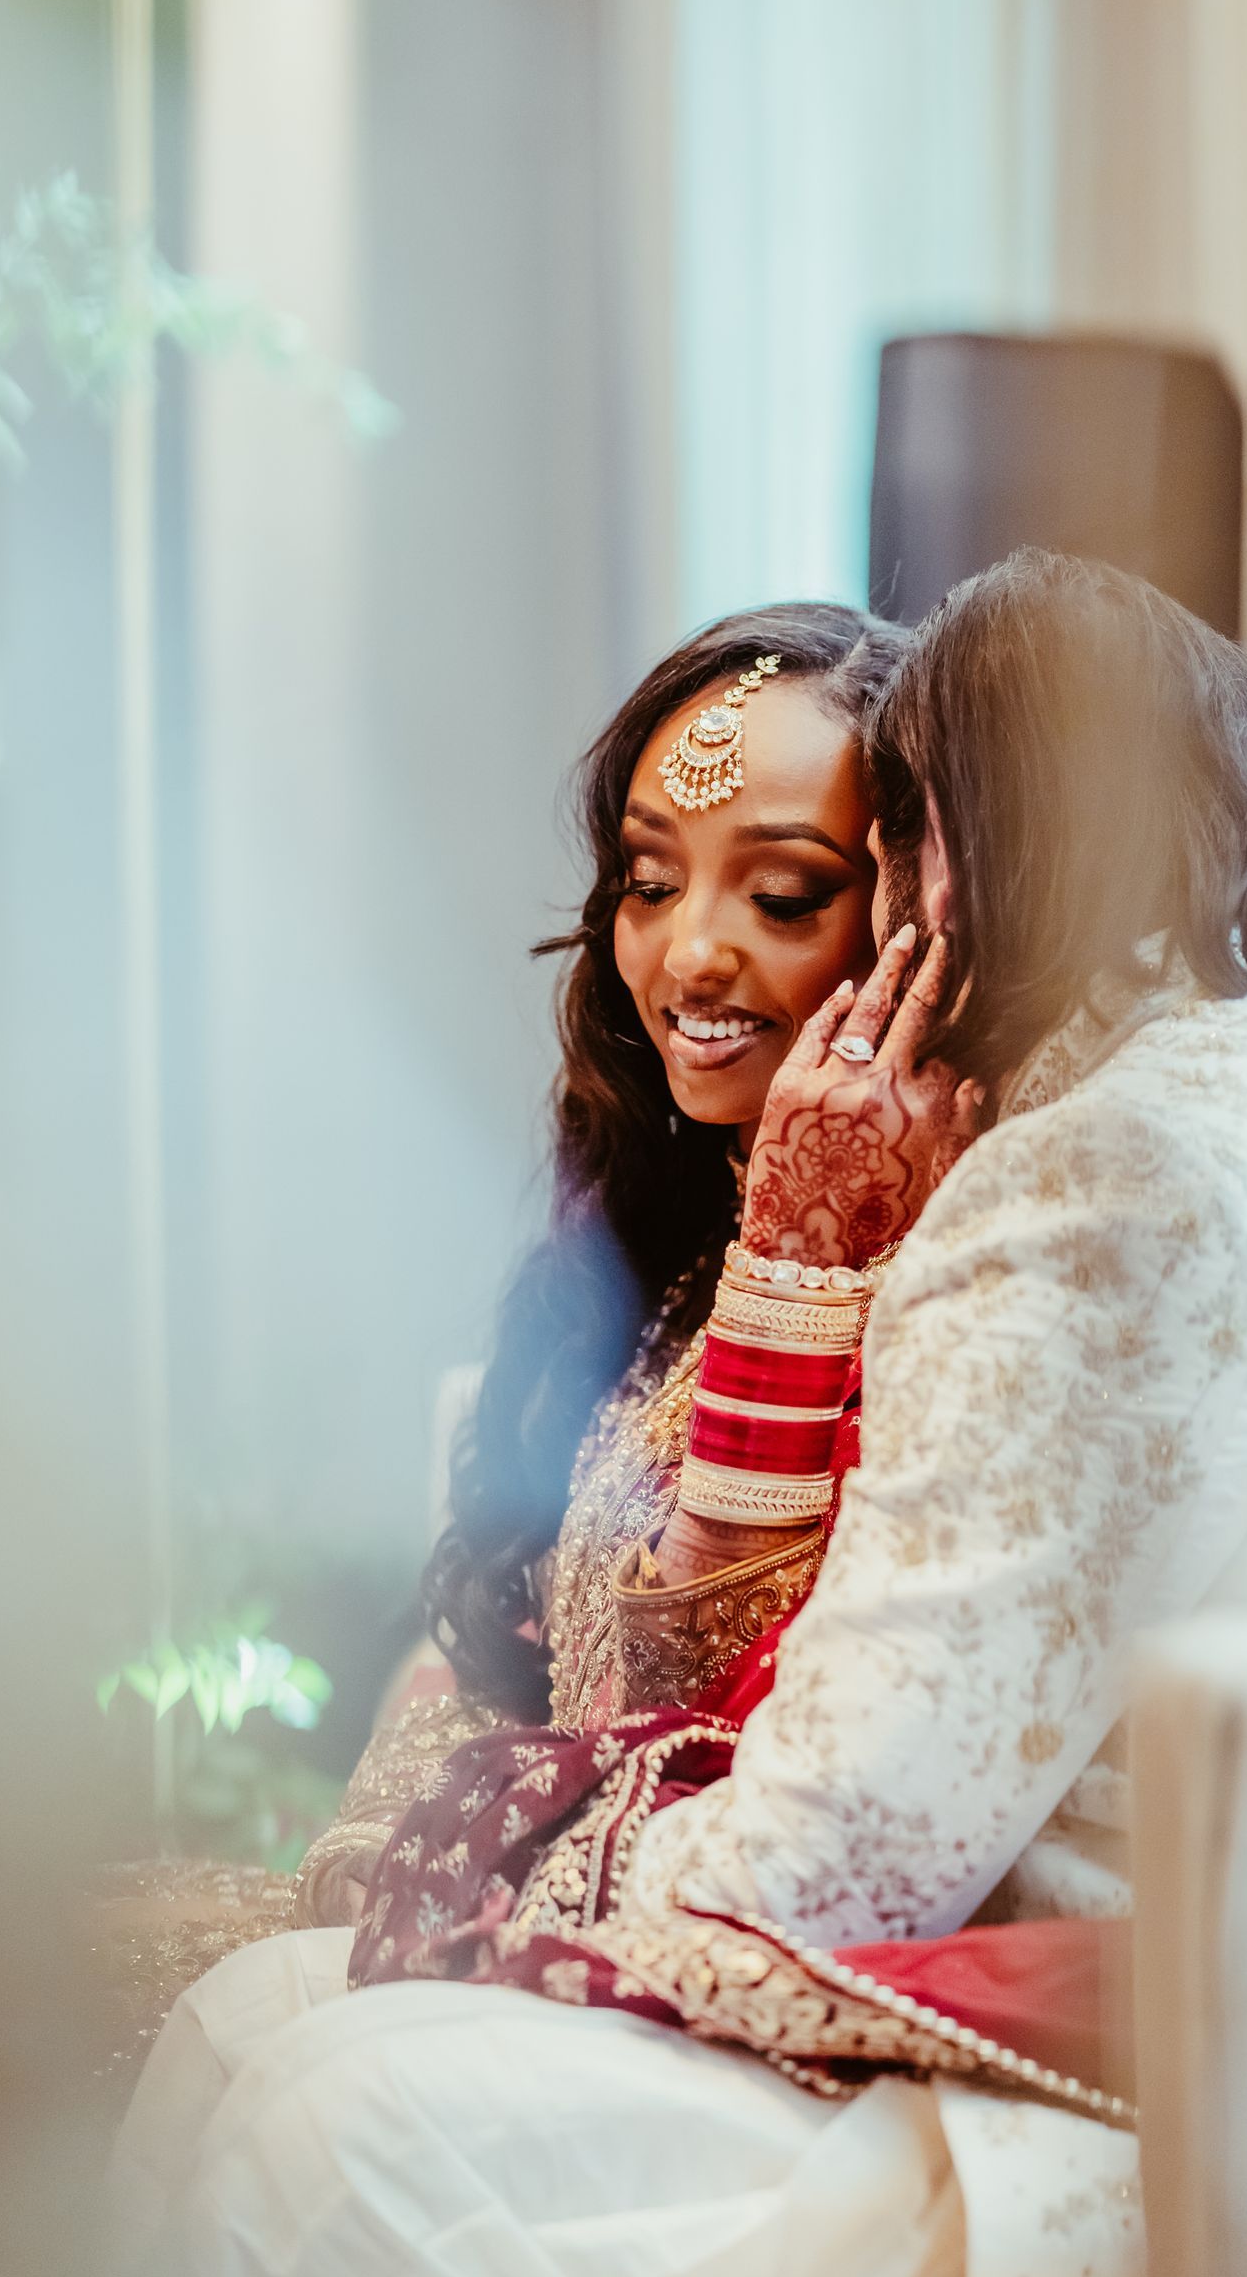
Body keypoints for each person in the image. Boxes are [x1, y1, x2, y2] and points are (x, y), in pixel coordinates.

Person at [112, 553, 1247, 2277]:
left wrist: (489, 1867)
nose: (704, 955)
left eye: (837, 879)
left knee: (322, 2149)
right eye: (647, 884)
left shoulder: (1091, 1178)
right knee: (257, 2039)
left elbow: (829, 1860)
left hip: (1217, 2096)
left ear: (954, 865)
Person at [95, 600, 909, 2069]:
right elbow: (495, 1646)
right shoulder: (657, 1258)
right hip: (457, 1899)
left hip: (653, 1964)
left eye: (783, 896)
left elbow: (738, 1738)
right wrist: (363, 1856)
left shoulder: (922, 1290)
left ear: (913, 921)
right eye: (650, 882)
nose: (691, 956)